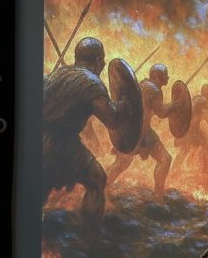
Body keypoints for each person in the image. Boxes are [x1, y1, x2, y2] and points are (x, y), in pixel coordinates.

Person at [42, 36, 138, 233]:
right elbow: (111, 119)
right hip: (62, 143)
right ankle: (90, 239)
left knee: (40, 189)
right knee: (97, 179)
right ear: (98, 60)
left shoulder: (56, 74)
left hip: (37, 138)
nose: (103, 64)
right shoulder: (92, 82)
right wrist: (124, 105)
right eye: (102, 60)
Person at [106, 63, 175, 196]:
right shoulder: (154, 90)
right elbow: (161, 112)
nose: (167, 77)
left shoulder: (142, 84)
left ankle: (100, 190)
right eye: (165, 74)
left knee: (121, 163)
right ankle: (158, 196)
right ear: (156, 76)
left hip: (133, 131)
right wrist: (174, 105)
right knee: (165, 160)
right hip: (138, 133)